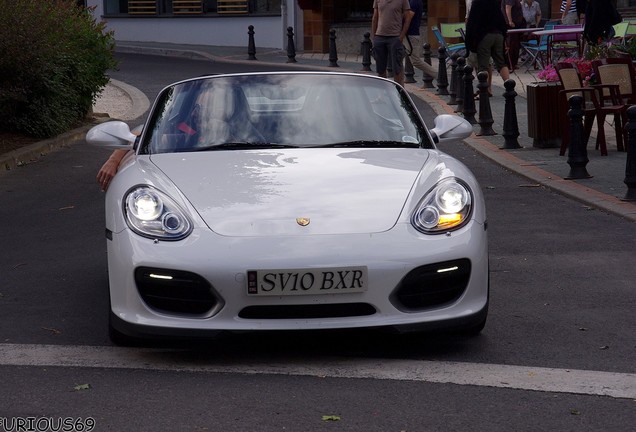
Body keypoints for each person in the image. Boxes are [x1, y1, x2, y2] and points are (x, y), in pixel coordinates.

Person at [465, 0, 511, 90]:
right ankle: (509, 86)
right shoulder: (495, 3)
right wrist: (504, 37)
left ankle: (484, 92)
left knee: (483, 65)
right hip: (498, 35)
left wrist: (469, 41)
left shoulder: (477, 3)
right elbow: (502, 20)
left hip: (484, 36)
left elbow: (472, 23)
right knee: (501, 63)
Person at [372, 0, 413, 86]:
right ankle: (383, 93)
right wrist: (374, 37)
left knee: (397, 69)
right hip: (380, 36)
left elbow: (408, 17)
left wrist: (401, 36)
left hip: (395, 37)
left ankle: (399, 93)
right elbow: (375, 17)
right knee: (380, 69)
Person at [404, 0, 438, 83]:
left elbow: (408, 17)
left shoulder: (414, 2)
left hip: (411, 35)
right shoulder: (412, 2)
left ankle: (438, 75)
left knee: (416, 61)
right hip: (408, 34)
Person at [502, 0, 524, 69]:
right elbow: (508, 7)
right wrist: (510, 21)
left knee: (515, 45)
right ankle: (509, 64)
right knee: (511, 45)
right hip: (511, 26)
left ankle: (513, 63)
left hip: (516, 25)